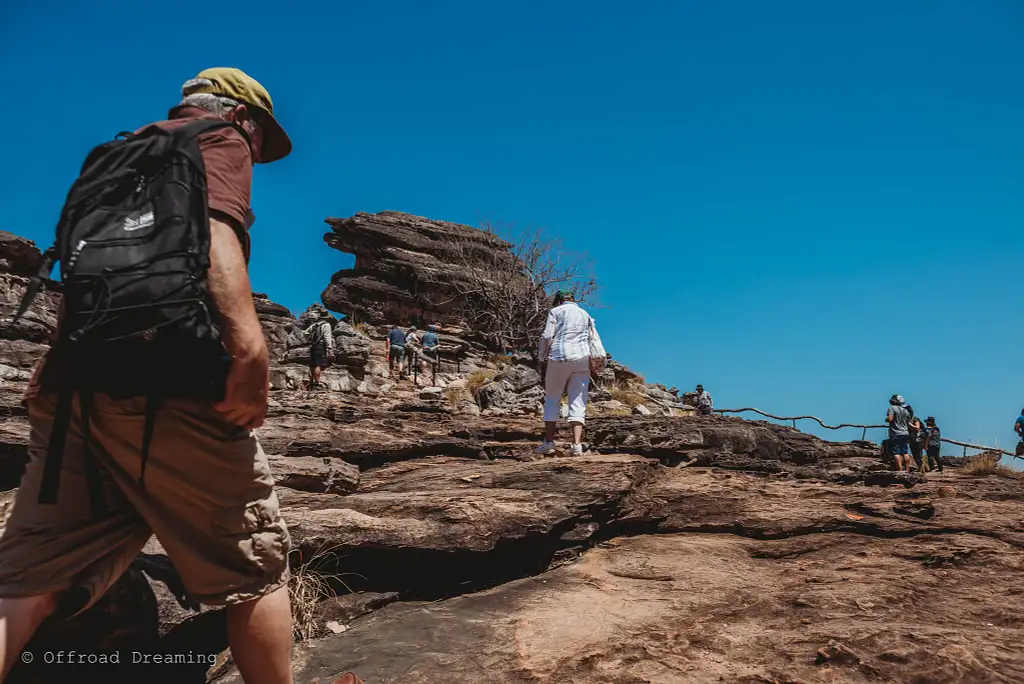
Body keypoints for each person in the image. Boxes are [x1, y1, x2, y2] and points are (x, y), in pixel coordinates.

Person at [0, 68, 311, 684]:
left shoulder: (119, 153)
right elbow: (217, 231)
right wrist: (250, 354)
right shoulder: (219, 139)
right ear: (244, 115)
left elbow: (89, 265)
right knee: (254, 570)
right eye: (261, 137)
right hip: (172, 380)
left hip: (75, 391)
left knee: (25, 581)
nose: (256, 151)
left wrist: (55, 363)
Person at [536, 290, 606, 455]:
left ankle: (549, 442)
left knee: (553, 399)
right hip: (582, 359)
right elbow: (594, 338)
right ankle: (576, 445)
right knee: (578, 400)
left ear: (559, 300)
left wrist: (541, 357)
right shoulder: (585, 314)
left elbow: (547, 336)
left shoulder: (555, 311)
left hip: (559, 357)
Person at [305, 310, 335, 390]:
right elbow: (327, 337)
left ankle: (311, 383)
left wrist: (308, 340)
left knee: (312, 365)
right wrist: (329, 348)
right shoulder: (326, 325)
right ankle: (316, 384)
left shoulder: (314, 325)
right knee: (318, 365)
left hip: (313, 346)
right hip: (321, 346)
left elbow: (305, 333)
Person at [886, 394, 912, 473]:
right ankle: (907, 470)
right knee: (905, 452)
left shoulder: (892, 408)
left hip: (895, 433)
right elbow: (908, 421)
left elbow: (890, 419)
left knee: (896, 452)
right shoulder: (906, 411)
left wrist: (886, 419)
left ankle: (900, 470)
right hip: (905, 433)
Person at [906, 405, 927, 473]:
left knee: (918, 455)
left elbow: (917, 428)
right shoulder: (907, 419)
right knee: (914, 454)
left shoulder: (915, 419)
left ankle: (921, 469)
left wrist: (908, 424)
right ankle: (921, 468)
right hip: (912, 439)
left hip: (918, 439)